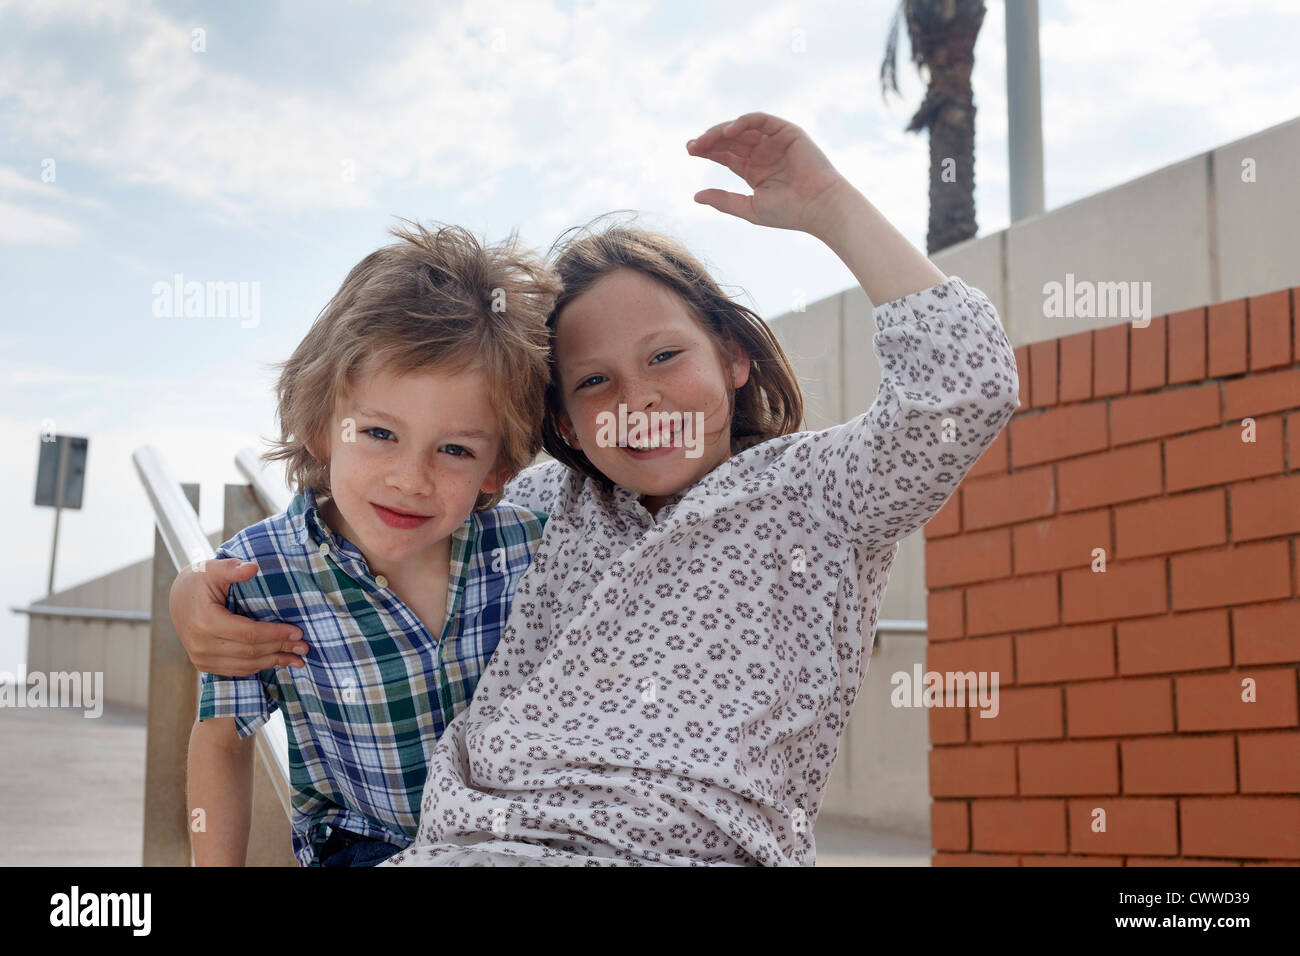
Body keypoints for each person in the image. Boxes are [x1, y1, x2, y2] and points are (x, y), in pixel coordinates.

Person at [174, 112, 1020, 866]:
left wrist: (831, 207)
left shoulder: (820, 495)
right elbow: (394, 504)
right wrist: (195, 596)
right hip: (473, 842)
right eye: (595, 383)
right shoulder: (554, 508)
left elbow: (965, 389)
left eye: (663, 357)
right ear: (566, 429)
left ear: (733, 356)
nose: (638, 400)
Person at [185, 221, 560, 866]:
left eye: (454, 450)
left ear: (497, 469)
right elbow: (223, 739)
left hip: (514, 841)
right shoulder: (262, 575)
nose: (411, 479)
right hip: (365, 845)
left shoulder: (532, 553)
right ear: (319, 426)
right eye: (380, 433)